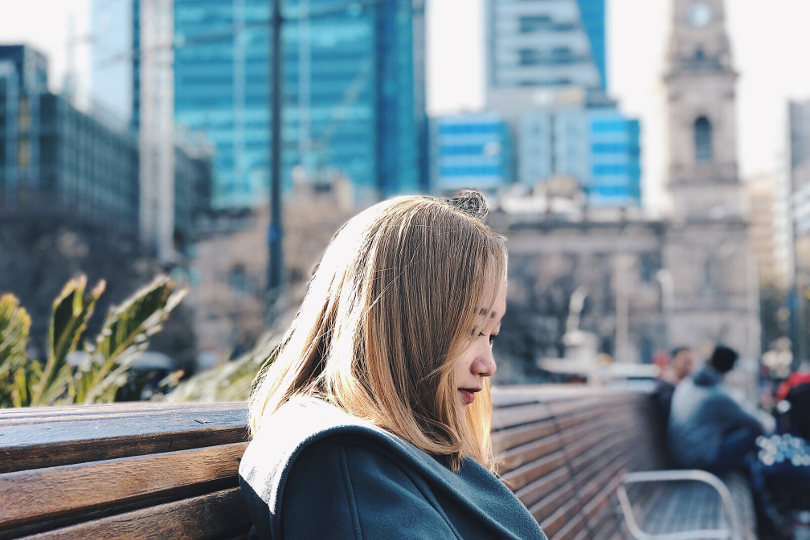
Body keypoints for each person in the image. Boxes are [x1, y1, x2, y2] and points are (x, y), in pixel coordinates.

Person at [238, 192, 547, 539]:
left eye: (491, 335)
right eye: (471, 330)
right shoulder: (346, 464)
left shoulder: (375, 453)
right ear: (403, 325)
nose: (487, 365)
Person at [667, 345, 765, 472]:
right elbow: (756, 424)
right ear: (731, 367)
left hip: (680, 455)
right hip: (696, 461)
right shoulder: (717, 393)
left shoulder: (689, 383)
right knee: (753, 434)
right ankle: (761, 488)